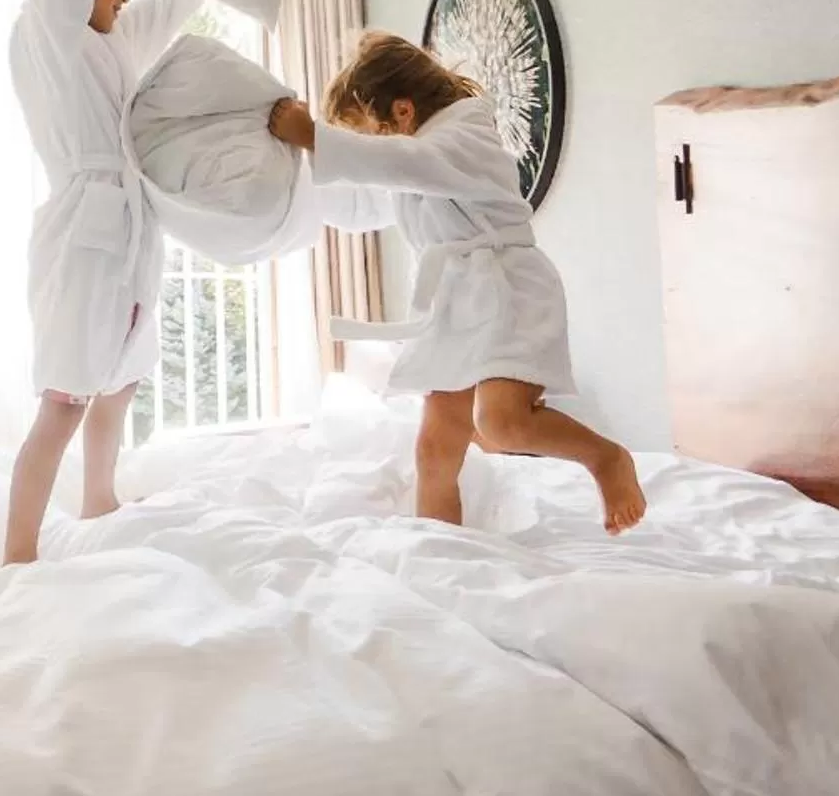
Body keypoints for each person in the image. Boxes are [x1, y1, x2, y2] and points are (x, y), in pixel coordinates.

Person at [268, 32, 647, 534]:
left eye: (367, 135)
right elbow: (363, 201)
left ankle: (607, 459)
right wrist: (290, 185)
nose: (367, 150)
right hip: (456, 300)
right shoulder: (417, 161)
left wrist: (315, 136)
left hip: (507, 289)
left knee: (501, 422)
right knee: (435, 447)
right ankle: (442, 549)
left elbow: (403, 164)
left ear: (402, 112)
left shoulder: (465, 137)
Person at [3, 0, 201, 564]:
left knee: (119, 381)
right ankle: (17, 555)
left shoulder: (112, 39)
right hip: (85, 233)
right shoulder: (46, 31)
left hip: (129, 230)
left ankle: (99, 499)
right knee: (64, 399)